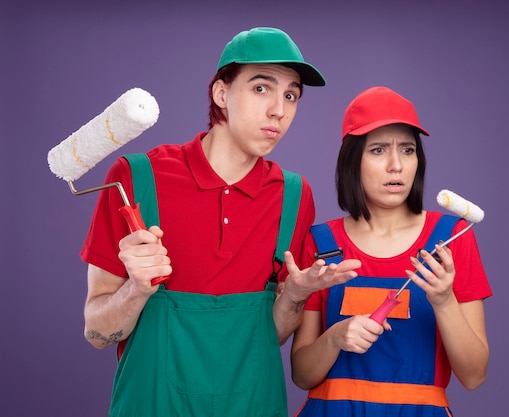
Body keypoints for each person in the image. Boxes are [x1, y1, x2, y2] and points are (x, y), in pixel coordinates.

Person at [80, 27, 360, 417]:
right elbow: (96, 332)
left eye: (291, 94)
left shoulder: (293, 196)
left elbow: (268, 337)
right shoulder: (137, 179)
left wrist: (294, 297)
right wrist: (137, 290)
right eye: (262, 88)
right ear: (222, 93)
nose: (279, 110)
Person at [289, 86, 493, 416]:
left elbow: (474, 376)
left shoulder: (450, 240)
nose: (396, 165)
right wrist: (335, 338)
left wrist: (444, 301)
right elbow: (302, 375)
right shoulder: (322, 244)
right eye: (379, 150)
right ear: (352, 160)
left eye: (408, 150)